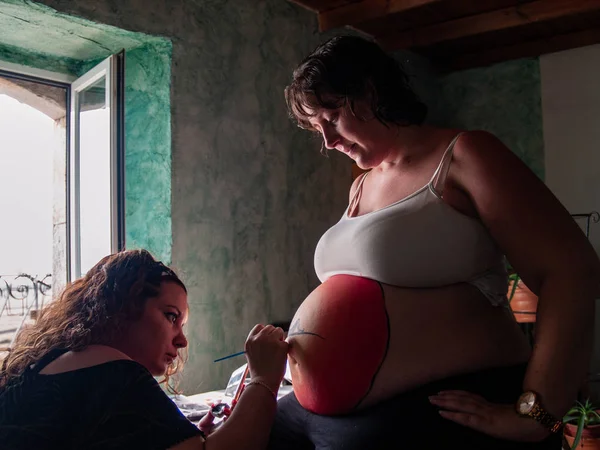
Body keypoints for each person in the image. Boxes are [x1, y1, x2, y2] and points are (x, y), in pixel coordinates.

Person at [268, 35, 600, 449]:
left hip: (444, 397)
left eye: (332, 116)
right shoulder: (361, 186)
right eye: (317, 128)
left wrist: (536, 415)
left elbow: (572, 270)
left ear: (370, 91)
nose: (328, 141)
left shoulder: (465, 155)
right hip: (330, 413)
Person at [0, 249, 289, 450]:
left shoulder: (50, 364)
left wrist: (179, 439)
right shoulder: (117, 376)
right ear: (124, 307)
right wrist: (263, 379)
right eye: (171, 317)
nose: (182, 341)